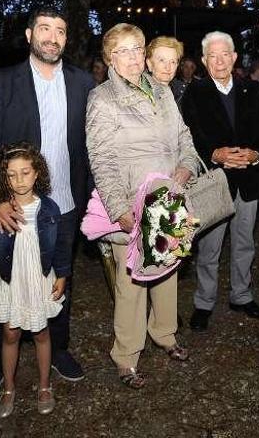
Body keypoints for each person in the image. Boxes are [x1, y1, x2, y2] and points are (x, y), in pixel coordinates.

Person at [0, 7, 93, 412]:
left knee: (59, 278)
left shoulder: (82, 82)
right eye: (45, 28)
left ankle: (57, 349)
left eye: (60, 30)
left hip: (65, 205)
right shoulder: (4, 81)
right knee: (2, 279)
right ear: (29, 35)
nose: (53, 37)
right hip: (15, 205)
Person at [86, 23, 199, 389]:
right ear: (110, 59)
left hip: (168, 198)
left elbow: (183, 136)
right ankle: (126, 355)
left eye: (138, 48)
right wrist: (119, 209)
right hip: (133, 204)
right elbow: (101, 159)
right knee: (131, 282)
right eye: (124, 51)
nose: (134, 57)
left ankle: (165, 334)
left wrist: (187, 166)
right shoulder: (103, 98)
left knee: (168, 268)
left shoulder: (161, 90)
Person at [180, 31, 259, 331]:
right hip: (213, 181)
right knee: (209, 247)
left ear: (234, 58)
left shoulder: (253, 89)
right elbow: (190, 136)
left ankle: (241, 296)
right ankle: (204, 302)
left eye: (225, 55)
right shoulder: (194, 93)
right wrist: (215, 154)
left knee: (245, 242)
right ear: (204, 61)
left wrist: (256, 155)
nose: (219, 61)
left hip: (247, 181)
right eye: (213, 56)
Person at [0, 143, 68, 418]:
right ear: (4, 178)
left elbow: (61, 245)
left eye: (25, 172)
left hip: (38, 278)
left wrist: (61, 274)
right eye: (11, 175)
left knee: (41, 332)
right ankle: (9, 387)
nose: (19, 180)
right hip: (9, 279)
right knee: (10, 333)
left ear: (37, 173)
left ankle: (45, 385)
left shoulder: (49, 209)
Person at [146, 35, 185, 103]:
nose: (168, 67)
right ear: (149, 64)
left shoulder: (181, 93)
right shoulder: (141, 97)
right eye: (162, 60)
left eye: (173, 62)